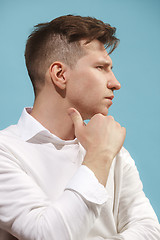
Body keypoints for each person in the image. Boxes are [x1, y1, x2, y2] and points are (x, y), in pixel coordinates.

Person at [0, 14, 159, 240]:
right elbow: (48, 235)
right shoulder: (5, 151)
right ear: (60, 74)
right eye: (101, 67)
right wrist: (98, 157)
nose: (115, 83)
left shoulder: (112, 150)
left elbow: (150, 230)